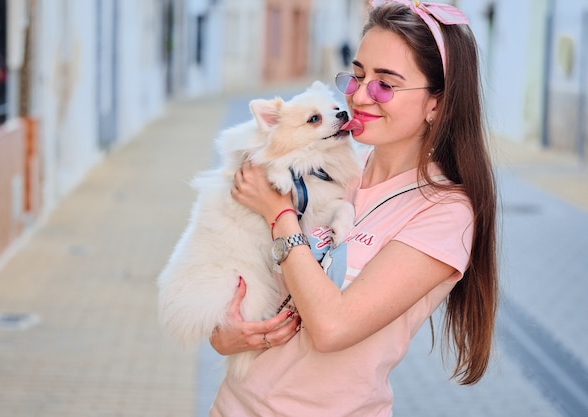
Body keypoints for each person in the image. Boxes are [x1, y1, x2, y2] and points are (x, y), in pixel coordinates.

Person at [209, 0, 498, 415]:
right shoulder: (326, 166)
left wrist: (279, 214)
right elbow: (236, 289)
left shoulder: (444, 213)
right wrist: (227, 333)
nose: (360, 96)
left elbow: (333, 327)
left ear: (437, 102)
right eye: (357, 75)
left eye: (385, 84)